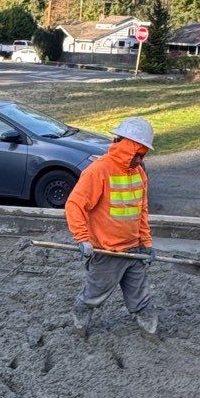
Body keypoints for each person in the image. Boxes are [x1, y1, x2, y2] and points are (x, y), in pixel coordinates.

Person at [65, 116, 158, 338]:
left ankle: (150, 332)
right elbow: (75, 204)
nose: (140, 159)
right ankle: (81, 316)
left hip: (133, 250)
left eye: (143, 155)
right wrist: (83, 238)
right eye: (139, 153)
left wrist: (146, 243)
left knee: (142, 299)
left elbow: (141, 211)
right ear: (127, 146)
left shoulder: (139, 173)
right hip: (106, 251)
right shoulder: (99, 170)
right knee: (93, 296)